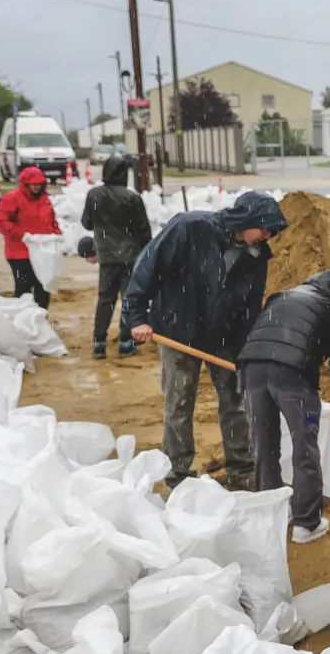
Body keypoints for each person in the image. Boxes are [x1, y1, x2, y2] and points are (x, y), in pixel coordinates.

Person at [123, 191, 289, 491]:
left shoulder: (257, 257)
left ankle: (241, 469)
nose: (268, 235)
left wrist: (246, 351)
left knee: (234, 404)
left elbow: (250, 308)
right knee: (179, 402)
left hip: (224, 338)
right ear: (246, 219)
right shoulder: (190, 228)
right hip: (178, 332)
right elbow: (148, 266)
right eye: (264, 227)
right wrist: (136, 317)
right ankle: (178, 473)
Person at [237, 271, 330, 544]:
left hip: (250, 371)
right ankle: (307, 523)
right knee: (305, 445)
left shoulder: (279, 299)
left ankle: (270, 516)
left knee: (263, 445)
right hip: (292, 379)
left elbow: (263, 336)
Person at [81, 156, 153, 359]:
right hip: (131, 257)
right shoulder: (132, 198)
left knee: (105, 300)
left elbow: (87, 223)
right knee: (129, 301)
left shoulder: (94, 195)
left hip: (107, 257)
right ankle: (125, 342)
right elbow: (144, 230)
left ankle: (99, 343)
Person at [0, 166, 61, 309]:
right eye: (33, 184)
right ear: (25, 184)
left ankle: (41, 318)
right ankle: (21, 319)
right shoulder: (12, 199)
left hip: (42, 252)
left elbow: (51, 220)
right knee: (23, 287)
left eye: (39, 184)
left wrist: (56, 233)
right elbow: (1, 221)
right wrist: (21, 235)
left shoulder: (45, 200)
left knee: (43, 286)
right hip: (19, 253)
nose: (36, 187)